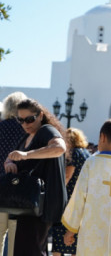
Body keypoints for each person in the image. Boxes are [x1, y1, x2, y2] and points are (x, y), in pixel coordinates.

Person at [62, 119, 111, 255]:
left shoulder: (91, 163)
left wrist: (71, 230)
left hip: (93, 229)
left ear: (102, 137)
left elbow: (79, 197)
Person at [4, 98, 67, 256]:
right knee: (29, 249)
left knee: (29, 250)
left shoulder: (46, 130)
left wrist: (26, 155)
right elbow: (11, 157)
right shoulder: (26, 137)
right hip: (29, 204)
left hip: (41, 203)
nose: (25, 124)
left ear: (40, 115)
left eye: (30, 119)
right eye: (21, 120)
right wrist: (10, 163)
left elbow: (60, 147)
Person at [51, 128, 90, 256]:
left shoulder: (72, 153)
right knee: (76, 239)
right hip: (82, 198)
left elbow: (68, 175)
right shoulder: (86, 154)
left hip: (68, 199)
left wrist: (57, 194)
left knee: (59, 238)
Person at [0, 92, 27, 256]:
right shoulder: (26, 130)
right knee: (15, 238)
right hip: (20, 189)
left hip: (0, 185)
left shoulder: (0, 127)